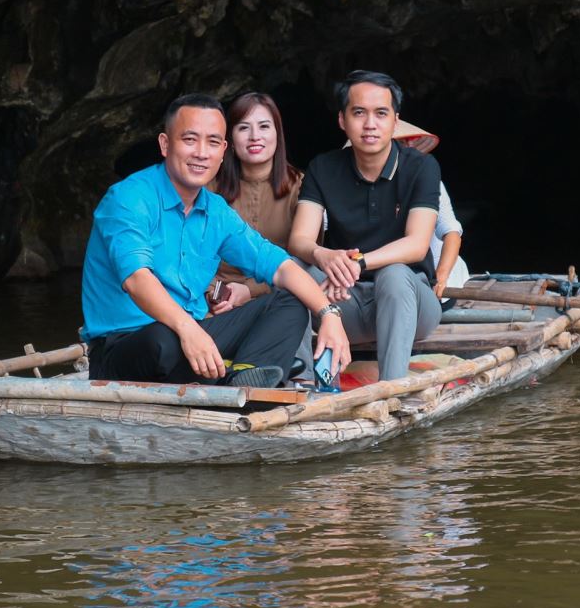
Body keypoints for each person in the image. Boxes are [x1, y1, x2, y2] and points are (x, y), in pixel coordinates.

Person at [81, 93, 349, 388]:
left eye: (212, 142)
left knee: (291, 300)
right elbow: (136, 279)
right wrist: (187, 329)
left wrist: (329, 315)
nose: (201, 153)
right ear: (165, 144)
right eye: (190, 140)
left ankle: (246, 376)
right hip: (125, 347)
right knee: (162, 340)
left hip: (192, 336)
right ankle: (234, 374)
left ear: (223, 151)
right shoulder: (129, 198)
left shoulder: (215, 210)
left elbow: (281, 266)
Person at [288, 70, 443, 382]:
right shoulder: (324, 168)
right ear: (342, 120)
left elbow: (417, 244)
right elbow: (299, 239)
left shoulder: (421, 167)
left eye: (381, 113)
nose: (370, 124)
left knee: (396, 273)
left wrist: (356, 263)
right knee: (292, 268)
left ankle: (391, 389)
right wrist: (325, 257)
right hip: (345, 301)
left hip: (411, 304)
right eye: (359, 113)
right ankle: (301, 382)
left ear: (395, 121)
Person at [207, 92, 306, 310]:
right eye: (243, 127)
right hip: (216, 301)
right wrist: (216, 293)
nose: (254, 136)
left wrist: (250, 290)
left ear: (277, 134)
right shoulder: (208, 188)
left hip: (279, 298)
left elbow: (305, 261)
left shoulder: (301, 188)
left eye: (263, 126)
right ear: (229, 139)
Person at [390, 120, 470, 298]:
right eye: (401, 142)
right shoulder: (353, 184)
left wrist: (441, 276)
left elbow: (451, 232)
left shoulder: (427, 181)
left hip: (431, 274)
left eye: (411, 142)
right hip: (384, 277)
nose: (409, 148)